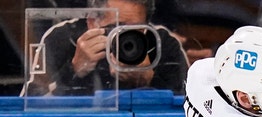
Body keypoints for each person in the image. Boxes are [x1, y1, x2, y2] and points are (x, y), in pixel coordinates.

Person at [23, 0, 188, 96]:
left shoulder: (162, 43)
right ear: (92, 22)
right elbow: (30, 105)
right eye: (117, 28)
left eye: (136, 30)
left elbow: (189, 110)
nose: (127, 39)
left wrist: (150, 80)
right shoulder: (62, 38)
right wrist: (74, 70)